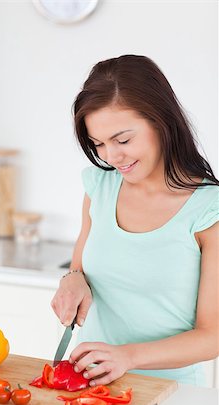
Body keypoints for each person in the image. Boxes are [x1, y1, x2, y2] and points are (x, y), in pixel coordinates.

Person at [51, 55, 219, 387]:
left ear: (161, 122)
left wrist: (128, 357)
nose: (112, 157)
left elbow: (212, 336)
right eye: (98, 144)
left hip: (171, 397)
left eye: (123, 140)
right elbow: (80, 266)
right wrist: (72, 279)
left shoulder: (208, 211)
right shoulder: (100, 186)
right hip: (91, 388)